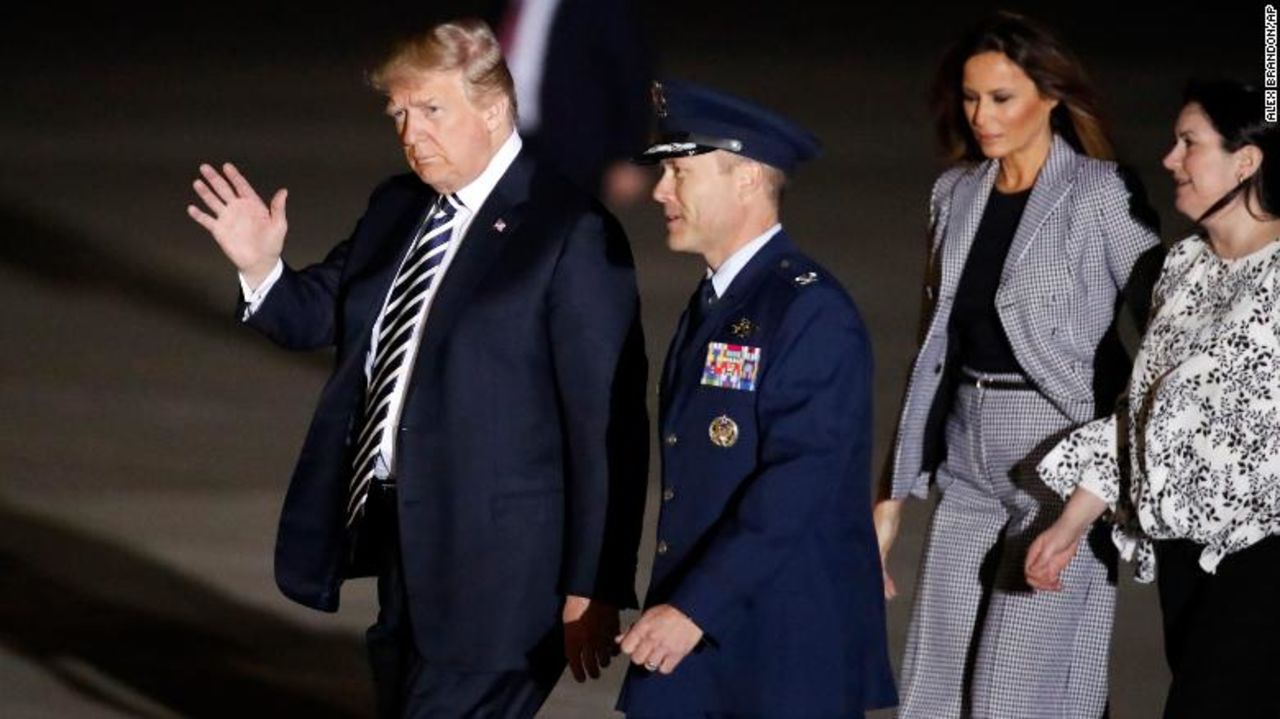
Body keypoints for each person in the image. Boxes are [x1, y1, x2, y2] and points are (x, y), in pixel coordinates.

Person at [184, 18, 649, 719]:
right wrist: (260, 268)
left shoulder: (567, 231)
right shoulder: (398, 206)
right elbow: (317, 315)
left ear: (493, 109)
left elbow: (606, 423)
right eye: (399, 113)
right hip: (410, 547)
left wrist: (597, 580)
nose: (411, 132)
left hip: (508, 574)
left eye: (431, 110)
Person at [874, 11, 1161, 718]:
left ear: (1052, 95)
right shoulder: (956, 195)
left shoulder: (1099, 193)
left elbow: (1168, 324)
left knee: (1014, 697)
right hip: (967, 460)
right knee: (932, 694)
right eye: (971, 97)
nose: (981, 116)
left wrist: (1115, 463)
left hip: (1059, 461)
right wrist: (891, 497)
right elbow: (932, 353)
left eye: (1001, 98)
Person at [614, 80, 897, 718]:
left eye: (680, 171)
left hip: (779, 650)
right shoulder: (722, 302)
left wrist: (693, 607)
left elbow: (803, 476)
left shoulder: (808, 308)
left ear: (745, 178)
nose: (660, 190)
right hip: (703, 634)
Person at [1028, 79, 1280, 719]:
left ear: (1245, 162)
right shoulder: (1182, 267)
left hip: (1264, 554)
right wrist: (1071, 521)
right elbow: (1140, 416)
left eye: (1189, 143)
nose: (1169, 159)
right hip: (1183, 560)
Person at [488, 0, 654, 205]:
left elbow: (632, 75)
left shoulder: (602, 6)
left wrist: (629, 155)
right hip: (505, 139)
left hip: (571, 149)